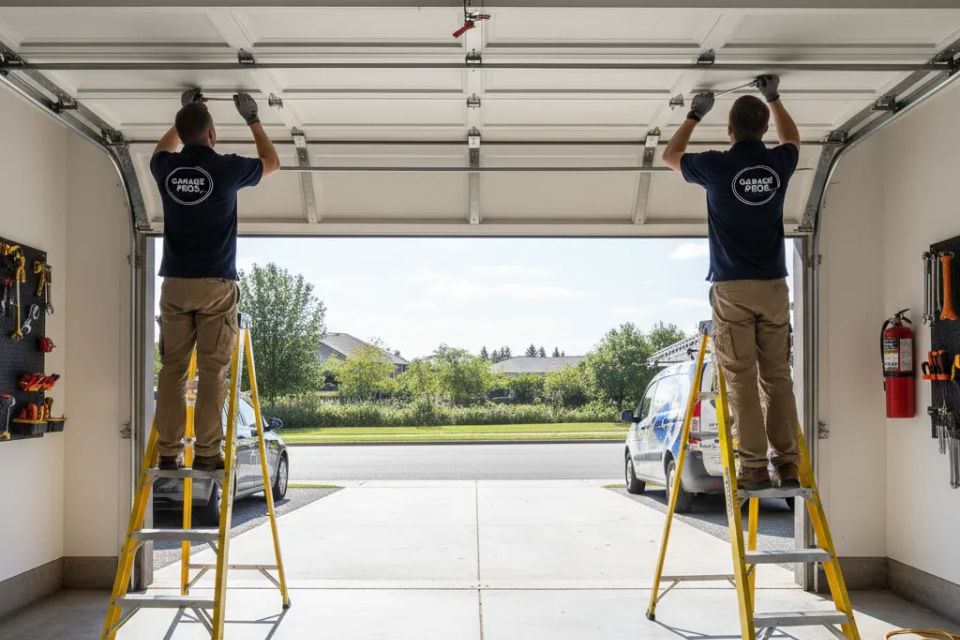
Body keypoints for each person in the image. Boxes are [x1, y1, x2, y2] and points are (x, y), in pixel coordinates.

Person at [662, 75, 801, 491]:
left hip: (733, 289)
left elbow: (671, 155)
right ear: (763, 129)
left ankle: (755, 468)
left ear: (729, 130)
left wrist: (693, 114)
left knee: (740, 377)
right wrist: (774, 97)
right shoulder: (778, 165)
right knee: (777, 376)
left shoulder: (716, 167)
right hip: (774, 285)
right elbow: (792, 139)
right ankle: (788, 464)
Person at [150, 89, 280, 471]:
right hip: (215, 286)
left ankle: (169, 452)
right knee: (212, 371)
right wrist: (252, 118)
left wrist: (190, 111)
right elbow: (272, 162)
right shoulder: (227, 168)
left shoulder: (165, 169)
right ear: (212, 135)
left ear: (181, 130)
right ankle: (207, 452)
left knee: (172, 370)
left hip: (174, 283)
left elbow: (163, 148)